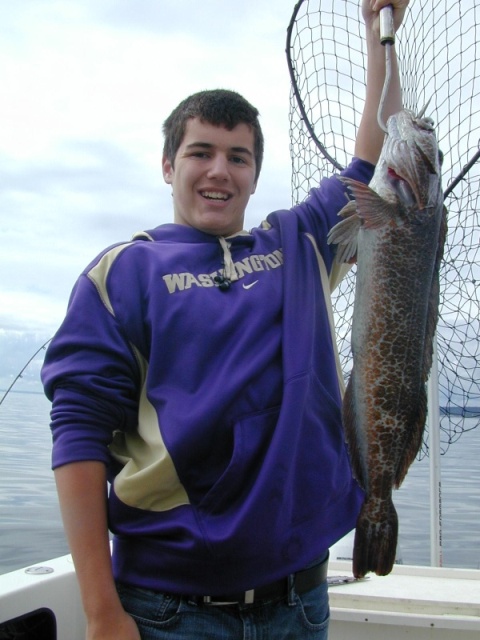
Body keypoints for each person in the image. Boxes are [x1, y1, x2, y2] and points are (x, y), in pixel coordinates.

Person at [41, 1, 409, 638]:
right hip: (170, 611)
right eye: (200, 152)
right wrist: (103, 612)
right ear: (168, 166)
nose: (219, 170)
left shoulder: (297, 245)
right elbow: (78, 441)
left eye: (238, 157)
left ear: (254, 174)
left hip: (300, 600)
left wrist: (383, 34)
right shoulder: (122, 273)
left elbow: (375, 160)